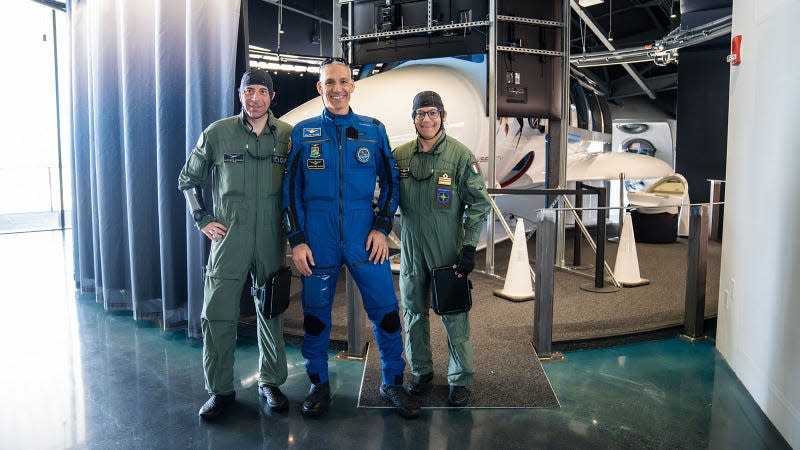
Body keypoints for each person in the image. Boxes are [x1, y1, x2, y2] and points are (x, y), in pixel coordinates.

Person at [282, 58, 420, 419]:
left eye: (343, 81)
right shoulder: (304, 132)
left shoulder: (372, 130)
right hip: (318, 240)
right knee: (316, 318)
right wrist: (297, 239)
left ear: (353, 86)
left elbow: (391, 183)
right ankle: (319, 384)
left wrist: (380, 227)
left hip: (364, 239)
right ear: (320, 88)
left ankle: (392, 380)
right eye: (330, 83)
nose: (337, 88)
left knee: (387, 315)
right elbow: (290, 192)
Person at [178, 68, 292, 420]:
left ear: (272, 97)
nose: (255, 97)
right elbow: (189, 178)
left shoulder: (288, 136)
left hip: (272, 238)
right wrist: (202, 218)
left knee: (270, 311)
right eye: (248, 91)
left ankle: (270, 382)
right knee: (217, 314)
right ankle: (221, 390)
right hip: (229, 239)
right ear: (240, 94)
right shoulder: (218, 133)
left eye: (262, 91)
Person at [392, 91, 491, 406]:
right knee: (412, 312)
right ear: (414, 119)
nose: (427, 119)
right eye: (420, 113)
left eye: (433, 113)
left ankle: (460, 378)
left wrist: (469, 247)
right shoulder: (401, 157)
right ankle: (421, 371)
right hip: (410, 247)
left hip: (446, 247)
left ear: (443, 116)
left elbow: (478, 204)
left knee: (453, 312)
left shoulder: (460, 157)